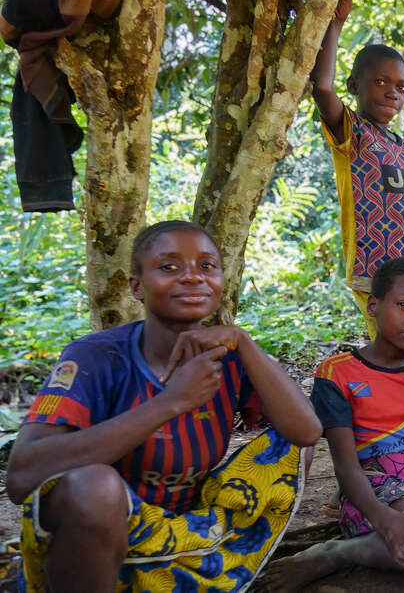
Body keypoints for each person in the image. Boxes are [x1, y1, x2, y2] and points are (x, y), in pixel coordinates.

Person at [7, 221, 322, 593]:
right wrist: (171, 403)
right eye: (169, 267)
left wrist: (242, 339)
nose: (192, 277)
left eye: (207, 266)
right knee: (95, 487)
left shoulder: (231, 357)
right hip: (96, 547)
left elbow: (306, 433)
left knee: (286, 444)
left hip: (185, 538)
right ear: (136, 286)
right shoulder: (95, 357)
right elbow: (21, 477)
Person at [263, 258, 404, 592]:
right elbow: (346, 468)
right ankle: (346, 548)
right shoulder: (338, 374)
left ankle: (347, 552)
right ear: (373, 306)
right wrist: (387, 521)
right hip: (371, 495)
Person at [311, 0, 404, 338]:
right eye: (380, 81)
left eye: (400, 87)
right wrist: (335, 23)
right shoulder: (352, 133)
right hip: (376, 272)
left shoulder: (397, 143)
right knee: (393, 345)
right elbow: (321, 87)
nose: (391, 92)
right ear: (354, 85)